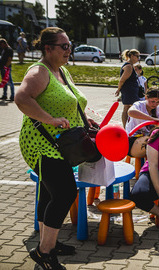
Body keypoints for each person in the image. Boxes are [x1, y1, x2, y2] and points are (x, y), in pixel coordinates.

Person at [14, 27, 94, 270]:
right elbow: (21, 98)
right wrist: (49, 118)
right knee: (65, 193)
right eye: (64, 46)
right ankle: (44, 252)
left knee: (49, 193)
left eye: (70, 45)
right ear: (48, 48)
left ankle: (51, 242)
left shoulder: (62, 71)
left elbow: (70, 102)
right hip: (41, 144)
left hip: (60, 143)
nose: (69, 50)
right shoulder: (39, 71)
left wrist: (84, 120)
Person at [125, 88, 159, 157]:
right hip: (132, 139)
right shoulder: (139, 105)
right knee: (150, 144)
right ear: (146, 97)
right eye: (152, 101)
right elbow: (130, 112)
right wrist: (151, 119)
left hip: (147, 137)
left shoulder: (158, 109)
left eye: (157, 102)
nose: (155, 104)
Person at [115, 49, 141, 128]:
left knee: (129, 108)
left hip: (131, 90)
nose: (138, 58)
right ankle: (125, 126)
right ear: (132, 56)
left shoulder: (131, 66)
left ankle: (128, 125)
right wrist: (118, 90)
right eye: (137, 56)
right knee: (128, 108)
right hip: (129, 91)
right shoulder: (129, 66)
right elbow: (122, 80)